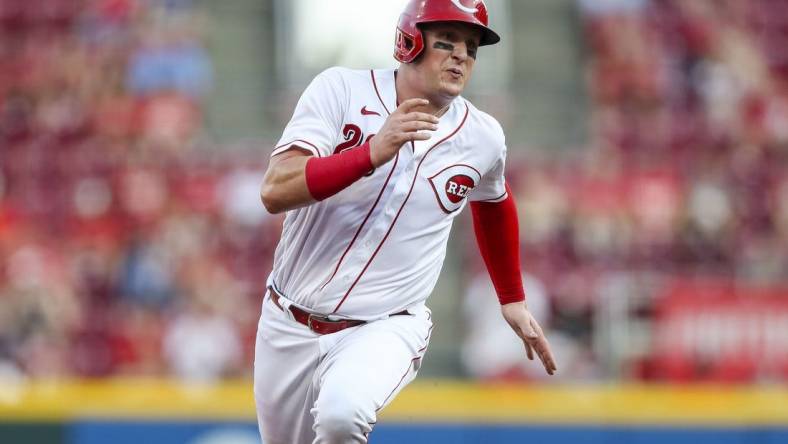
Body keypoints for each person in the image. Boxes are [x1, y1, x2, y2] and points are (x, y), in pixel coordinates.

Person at [255, 1, 556, 442]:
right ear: (409, 41)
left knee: (343, 416)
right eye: (447, 42)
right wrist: (369, 153)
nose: (461, 56)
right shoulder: (340, 91)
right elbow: (275, 190)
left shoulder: (483, 136)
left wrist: (511, 297)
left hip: (386, 324)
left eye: (471, 48)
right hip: (288, 321)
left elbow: (494, 200)